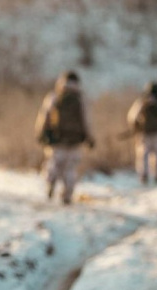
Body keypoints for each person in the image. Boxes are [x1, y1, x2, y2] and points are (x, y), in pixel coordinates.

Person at [34, 70, 95, 204]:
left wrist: (41, 132)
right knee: (70, 169)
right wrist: (90, 137)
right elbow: (86, 120)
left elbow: (45, 116)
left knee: (53, 165)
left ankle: (50, 184)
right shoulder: (81, 98)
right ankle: (67, 195)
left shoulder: (54, 96)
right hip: (75, 141)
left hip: (57, 139)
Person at [127, 81, 157, 184]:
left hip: (143, 134)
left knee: (142, 156)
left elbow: (132, 116)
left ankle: (143, 175)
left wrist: (136, 127)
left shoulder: (142, 102)